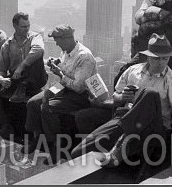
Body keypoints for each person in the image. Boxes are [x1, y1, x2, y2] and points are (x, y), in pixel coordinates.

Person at [71, 34, 172, 168]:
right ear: (148, 57)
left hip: (152, 128)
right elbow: (116, 97)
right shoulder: (133, 71)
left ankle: (118, 151)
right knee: (78, 153)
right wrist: (122, 97)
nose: (161, 63)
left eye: (165, 58)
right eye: (157, 58)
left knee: (150, 94)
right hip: (124, 120)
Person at [23, 25, 109, 165]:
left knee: (48, 107)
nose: (56, 43)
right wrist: (57, 64)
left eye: (57, 40)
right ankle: (37, 137)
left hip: (80, 95)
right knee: (33, 103)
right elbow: (66, 68)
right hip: (63, 86)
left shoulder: (84, 56)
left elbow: (79, 87)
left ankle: (57, 147)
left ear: (67, 39)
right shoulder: (66, 51)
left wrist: (60, 73)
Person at [0, 12, 48, 139]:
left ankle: (23, 86)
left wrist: (21, 66)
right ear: (15, 26)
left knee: (35, 58)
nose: (27, 29)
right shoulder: (8, 44)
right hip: (17, 79)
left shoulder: (35, 37)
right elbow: (0, 67)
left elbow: (38, 50)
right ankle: (4, 125)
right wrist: (1, 79)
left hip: (34, 78)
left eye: (28, 26)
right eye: (23, 27)